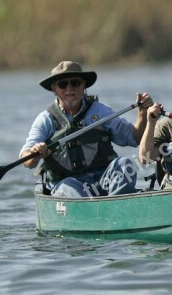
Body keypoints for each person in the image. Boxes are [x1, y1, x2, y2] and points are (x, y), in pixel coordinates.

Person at [20, 61, 154, 197]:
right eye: (62, 84)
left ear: (83, 86)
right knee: (71, 188)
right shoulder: (45, 119)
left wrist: (143, 114)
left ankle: (117, 204)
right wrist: (35, 152)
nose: (69, 88)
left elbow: (134, 138)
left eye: (75, 83)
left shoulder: (101, 112)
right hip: (67, 184)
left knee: (125, 163)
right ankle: (94, 209)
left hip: (103, 180)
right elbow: (27, 161)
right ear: (54, 89)